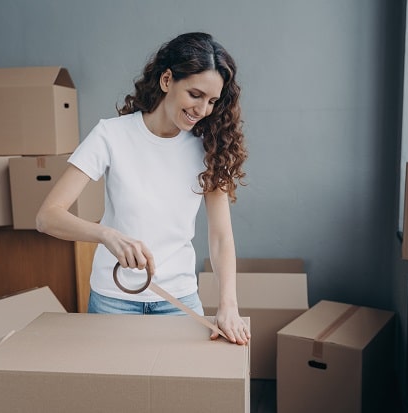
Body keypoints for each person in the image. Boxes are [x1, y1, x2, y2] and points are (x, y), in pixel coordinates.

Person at [36, 32, 250, 345]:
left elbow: (221, 237)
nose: (203, 109)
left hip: (179, 301)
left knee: (182, 394)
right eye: (195, 94)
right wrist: (106, 235)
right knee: (113, 394)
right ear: (167, 80)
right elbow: (47, 216)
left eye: (212, 101)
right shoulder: (110, 135)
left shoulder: (209, 149)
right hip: (113, 300)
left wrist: (228, 304)